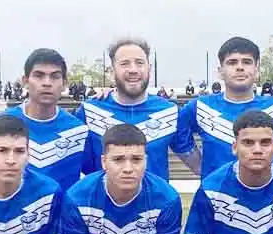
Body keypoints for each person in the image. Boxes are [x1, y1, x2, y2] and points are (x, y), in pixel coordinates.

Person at [61, 123, 182, 234]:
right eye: (118, 159)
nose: (128, 168)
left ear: (146, 161)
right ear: (104, 162)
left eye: (136, 159)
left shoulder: (166, 200)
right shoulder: (78, 199)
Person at [0, 48, 89, 190]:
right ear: (25, 81)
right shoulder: (0, 123)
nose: (47, 83)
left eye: (55, 76)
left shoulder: (78, 130)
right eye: (39, 76)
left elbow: (100, 177)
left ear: (64, 83)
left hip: (60, 205)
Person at [77, 37, 200, 180]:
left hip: (156, 195)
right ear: (111, 72)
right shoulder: (90, 111)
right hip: (103, 195)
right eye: (124, 64)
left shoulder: (170, 112)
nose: (133, 70)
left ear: (149, 69)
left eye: (139, 63)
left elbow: (198, 166)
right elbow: (78, 168)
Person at [175, 37, 273, 178]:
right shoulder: (199, 108)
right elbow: (179, 139)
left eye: (247, 62)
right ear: (220, 71)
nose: (240, 67)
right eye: (232, 62)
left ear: (257, 70)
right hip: (216, 191)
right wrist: (202, 168)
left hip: (270, 190)